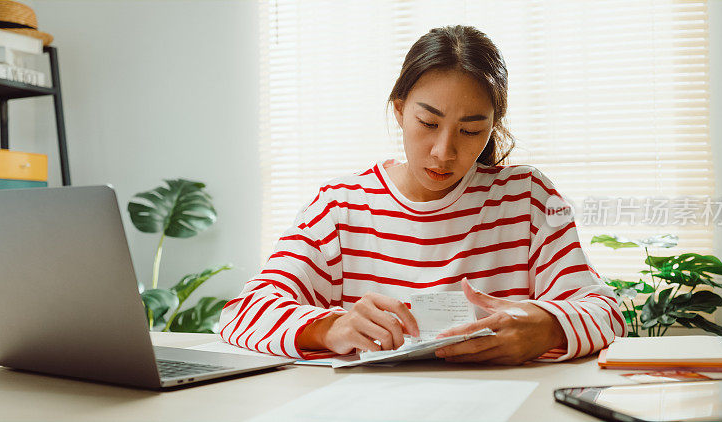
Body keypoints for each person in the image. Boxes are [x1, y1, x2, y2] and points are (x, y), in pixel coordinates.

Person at [219, 25, 626, 365]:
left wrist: (548, 325)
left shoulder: (527, 199)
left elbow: (606, 311)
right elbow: (245, 312)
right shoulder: (340, 205)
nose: (444, 151)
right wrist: (331, 327)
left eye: (471, 131)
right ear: (399, 110)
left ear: (492, 127)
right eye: (427, 122)